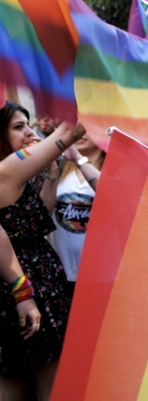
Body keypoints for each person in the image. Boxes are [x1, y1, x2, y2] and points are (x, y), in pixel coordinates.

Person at [0, 101, 84, 400]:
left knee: (15, 381)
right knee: (51, 385)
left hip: (30, 285)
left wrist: (49, 174)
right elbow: (73, 130)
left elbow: (38, 222)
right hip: (29, 288)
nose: (28, 133)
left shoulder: (14, 174)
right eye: (17, 127)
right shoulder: (6, 171)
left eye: (28, 125)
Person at [47, 134, 103, 299]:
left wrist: (79, 159)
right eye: (78, 127)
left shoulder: (116, 168)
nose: (81, 133)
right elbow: (42, 214)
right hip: (61, 272)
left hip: (100, 276)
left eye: (88, 128)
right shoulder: (59, 166)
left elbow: (112, 196)